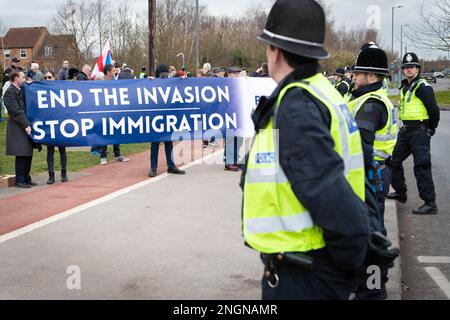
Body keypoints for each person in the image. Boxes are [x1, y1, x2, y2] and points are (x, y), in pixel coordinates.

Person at [241, 0, 369, 300]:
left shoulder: (296, 104)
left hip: (306, 273)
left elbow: (329, 192)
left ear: (275, 50)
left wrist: (346, 266)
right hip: (310, 267)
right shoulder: (320, 90)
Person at [347, 43, 398, 299]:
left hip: (370, 174)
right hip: (372, 173)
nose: (353, 76)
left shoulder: (371, 105)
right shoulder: (362, 98)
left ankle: (373, 291)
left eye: (358, 72)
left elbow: (361, 148)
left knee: (371, 235)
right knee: (367, 231)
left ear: (372, 76)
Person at [387, 52, 440, 215]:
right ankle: (401, 192)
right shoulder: (405, 86)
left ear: (417, 69)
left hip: (419, 131)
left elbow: (434, 110)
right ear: (403, 70)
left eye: (412, 67)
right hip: (406, 131)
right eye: (406, 67)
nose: (409, 70)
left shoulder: (422, 87)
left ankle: (430, 203)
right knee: (393, 160)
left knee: (421, 166)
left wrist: (430, 128)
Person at [148, 64, 185, 177]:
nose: (164, 76)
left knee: (169, 143)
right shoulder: (152, 83)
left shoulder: (171, 83)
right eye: (162, 74)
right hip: (156, 119)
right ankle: (153, 167)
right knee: (155, 144)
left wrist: (184, 80)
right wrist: (147, 80)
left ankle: (171, 165)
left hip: (168, 118)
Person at [4, 71, 36, 188]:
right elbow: (15, 111)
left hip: (24, 125)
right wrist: (26, 125)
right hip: (17, 126)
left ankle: (26, 178)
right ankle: (20, 180)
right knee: (21, 153)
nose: (25, 79)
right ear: (16, 78)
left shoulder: (20, 89)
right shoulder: (9, 93)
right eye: (23, 77)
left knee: (28, 152)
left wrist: (32, 84)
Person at [98, 64, 129, 165]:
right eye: (113, 70)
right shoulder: (100, 84)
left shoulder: (116, 83)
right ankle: (103, 156)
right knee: (104, 133)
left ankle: (117, 154)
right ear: (108, 72)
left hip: (115, 112)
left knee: (116, 132)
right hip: (104, 112)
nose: (115, 71)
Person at [43, 71, 69, 184]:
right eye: (45, 77)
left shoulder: (59, 89)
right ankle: (51, 175)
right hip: (49, 124)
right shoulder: (41, 90)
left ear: (54, 77)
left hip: (60, 124)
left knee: (62, 150)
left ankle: (64, 173)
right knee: (50, 151)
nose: (47, 79)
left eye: (49, 77)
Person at [223, 67, 244, 171]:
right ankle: (229, 162)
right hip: (229, 115)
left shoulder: (241, 84)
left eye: (237, 74)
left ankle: (235, 160)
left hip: (239, 115)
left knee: (239, 139)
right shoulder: (225, 84)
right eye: (234, 74)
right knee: (231, 139)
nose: (236, 75)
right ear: (229, 74)